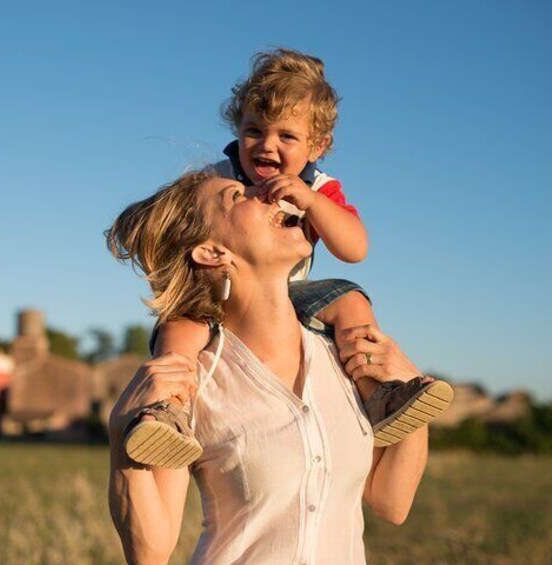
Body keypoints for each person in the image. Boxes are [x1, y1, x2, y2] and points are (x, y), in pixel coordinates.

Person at [123, 49, 452, 468]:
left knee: (351, 299)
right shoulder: (220, 179)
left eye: (286, 136)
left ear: (318, 146)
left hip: (290, 293)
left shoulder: (318, 187)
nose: (266, 145)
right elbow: (178, 225)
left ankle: (380, 393)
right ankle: (168, 410)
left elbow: (355, 249)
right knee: (180, 326)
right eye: (254, 130)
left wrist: (312, 202)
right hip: (224, 289)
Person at [106, 170, 432, 564]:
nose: (264, 192)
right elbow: (150, 552)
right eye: (236, 196)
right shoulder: (195, 377)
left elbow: (391, 503)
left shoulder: (343, 356)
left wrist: (413, 396)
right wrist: (122, 431)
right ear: (212, 252)